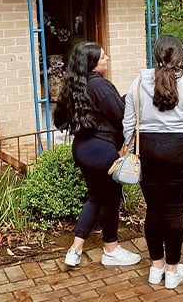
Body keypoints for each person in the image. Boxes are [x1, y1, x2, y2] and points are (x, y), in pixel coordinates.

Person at [122, 35, 183, 290]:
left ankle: (156, 267)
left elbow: (128, 125)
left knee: (153, 209)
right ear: (179, 58)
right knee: (173, 210)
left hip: (147, 150)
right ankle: (172, 271)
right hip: (179, 151)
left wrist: (130, 152)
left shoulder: (138, 84)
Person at [53, 41, 142, 269]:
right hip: (102, 151)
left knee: (95, 197)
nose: (107, 58)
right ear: (92, 63)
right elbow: (122, 116)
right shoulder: (100, 86)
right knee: (110, 200)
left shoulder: (75, 85)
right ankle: (111, 249)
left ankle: (75, 249)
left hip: (82, 149)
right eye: (103, 57)